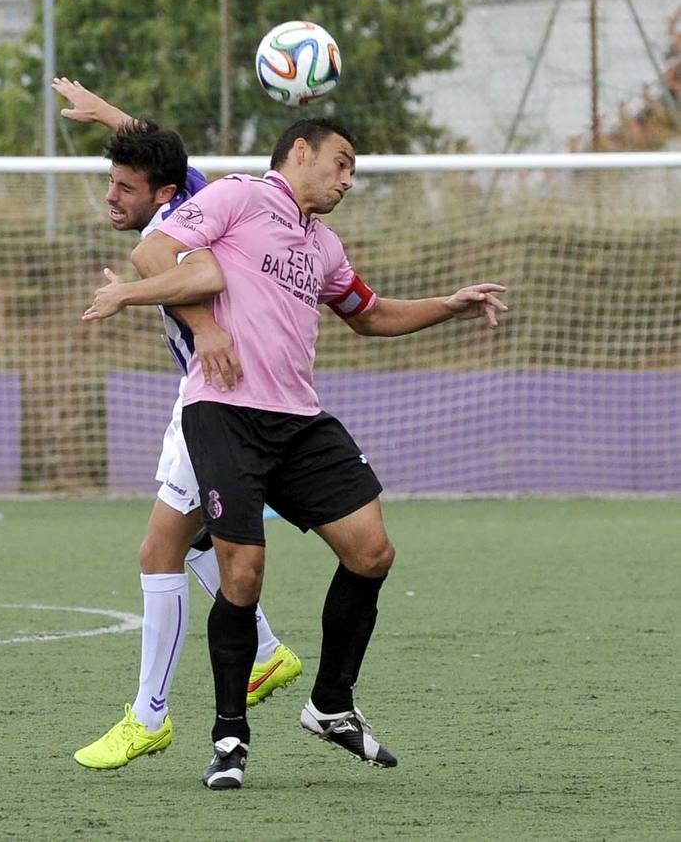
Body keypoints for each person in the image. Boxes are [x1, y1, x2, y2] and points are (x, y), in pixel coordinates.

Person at [82, 116, 509, 789]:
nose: (346, 180)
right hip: (222, 412)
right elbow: (152, 254)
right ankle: (227, 740)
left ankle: (330, 704)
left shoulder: (324, 245)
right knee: (240, 574)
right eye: (340, 164)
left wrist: (448, 305)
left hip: (298, 419)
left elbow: (368, 314)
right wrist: (206, 330)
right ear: (301, 152)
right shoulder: (236, 197)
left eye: (353, 172)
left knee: (371, 551)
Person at [53, 77, 303, 770]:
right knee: (195, 545)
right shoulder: (187, 190)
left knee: (156, 553)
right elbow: (168, 155)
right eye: (111, 182)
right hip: (220, 395)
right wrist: (105, 114)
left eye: (123, 187)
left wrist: (169, 314)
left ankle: (148, 718)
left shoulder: (171, 231)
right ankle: (263, 652)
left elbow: (207, 279)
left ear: (158, 195)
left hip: (219, 397)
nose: (111, 196)